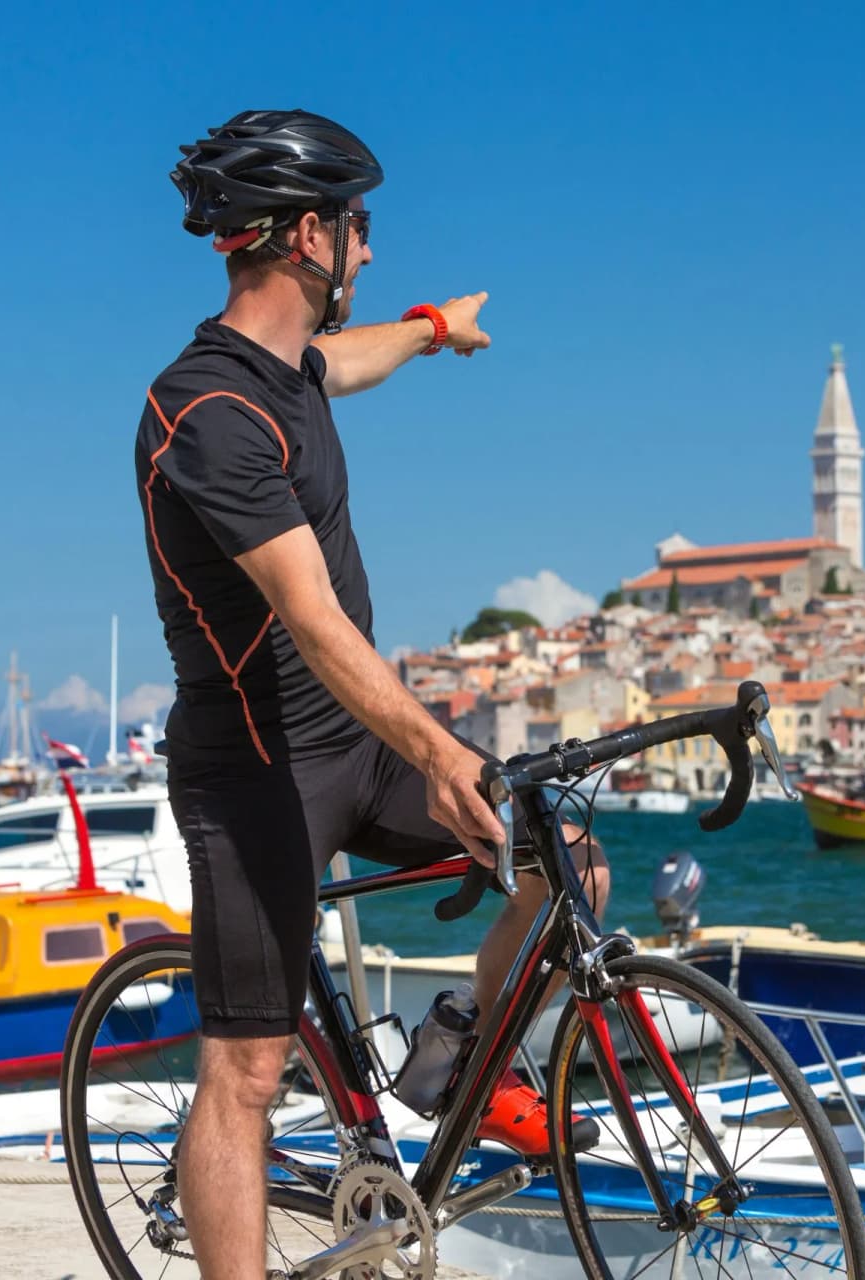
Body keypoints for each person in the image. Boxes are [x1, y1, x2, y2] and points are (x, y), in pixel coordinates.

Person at [138, 109, 606, 1279]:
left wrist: (433, 329)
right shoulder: (204, 414)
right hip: (255, 775)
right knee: (243, 1075)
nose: (371, 248)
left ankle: (459, 1056)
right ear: (308, 235)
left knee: (568, 860)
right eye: (360, 226)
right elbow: (314, 621)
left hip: (352, 743)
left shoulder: (288, 368)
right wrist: (447, 754)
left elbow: (347, 360)